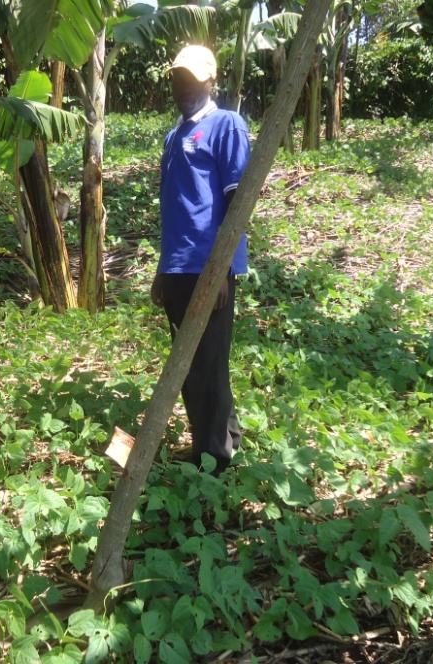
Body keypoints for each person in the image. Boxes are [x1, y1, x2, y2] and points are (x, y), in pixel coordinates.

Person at [150, 44, 250, 476]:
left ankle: (213, 463)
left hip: (207, 268)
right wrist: (161, 271)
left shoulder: (226, 125)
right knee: (192, 363)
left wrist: (223, 267)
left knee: (206, 365)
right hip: (177, 268)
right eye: (177, 79)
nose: (183, 87)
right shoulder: (174, 136)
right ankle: (224, 438)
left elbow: (237, 202)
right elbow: (176, 211)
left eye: (191, 79)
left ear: (211, 80)